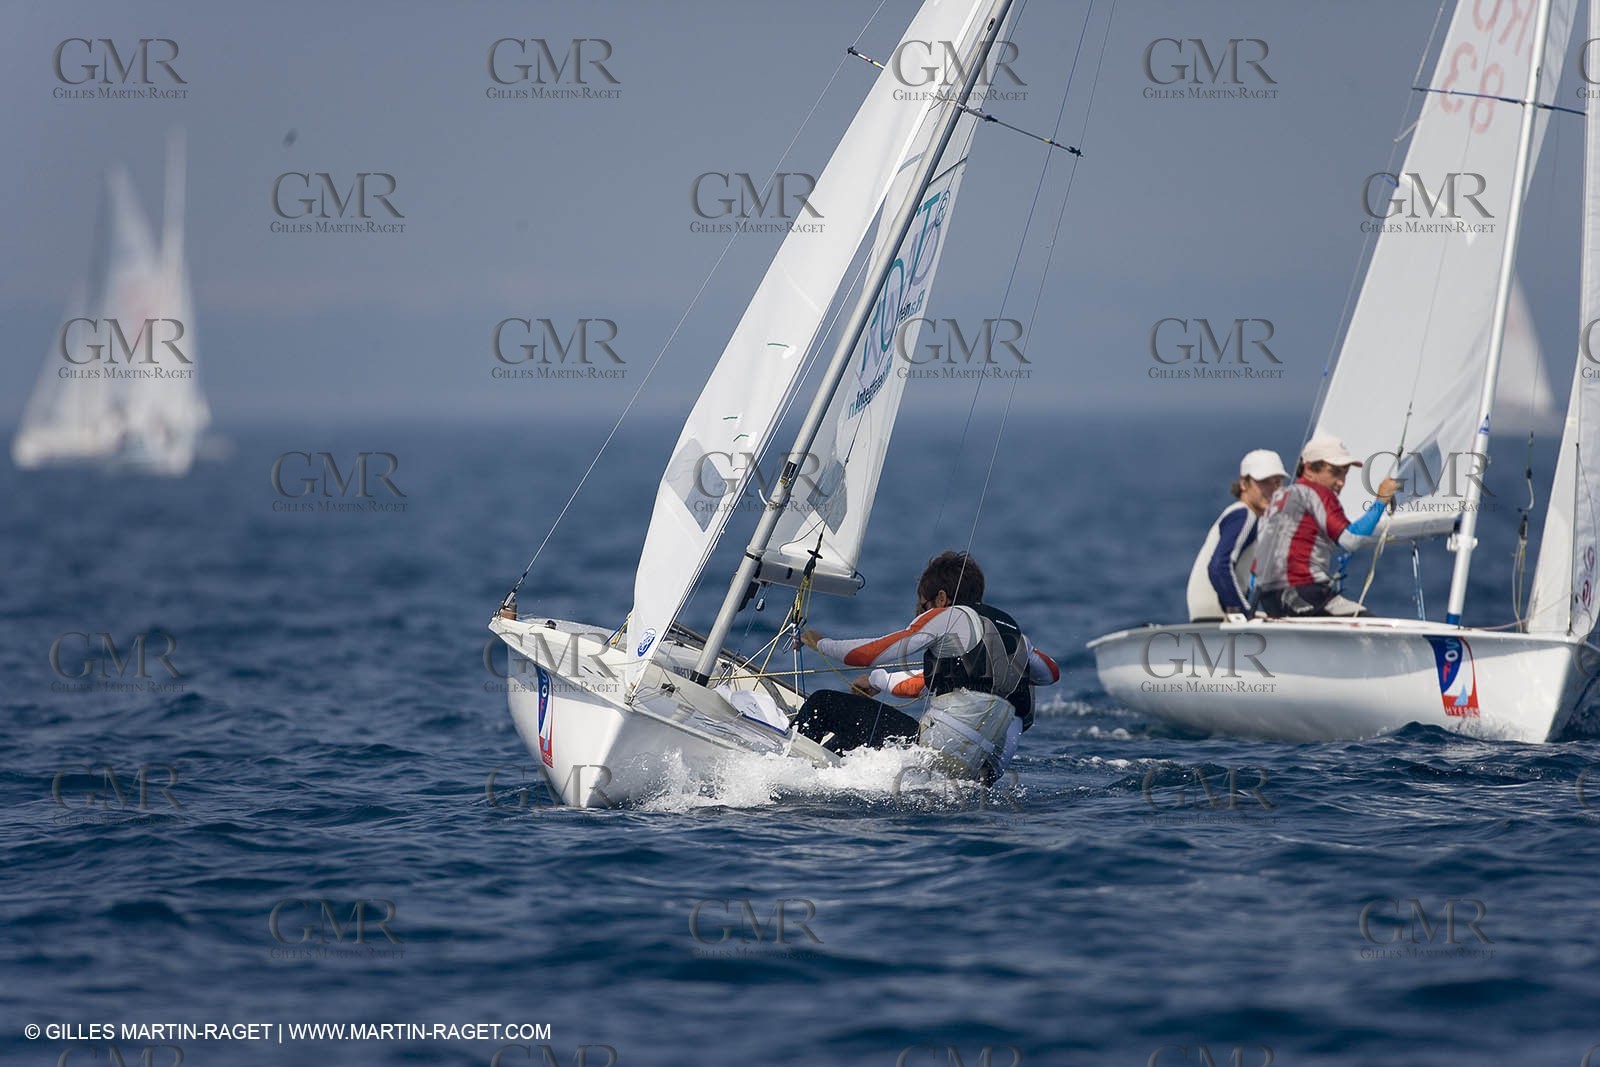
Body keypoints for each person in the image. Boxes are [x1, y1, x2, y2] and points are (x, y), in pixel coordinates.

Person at [797, 550, 1059, 783]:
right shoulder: (1017, 639)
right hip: (978, 773)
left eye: (922, 605)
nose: (919, 613)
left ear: (941, 598)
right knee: (850, 738)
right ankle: (824, 775)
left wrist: (821, 643)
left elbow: (868, 654)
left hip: (933, 751)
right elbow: (1050, 673)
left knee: (822, 704)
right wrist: (876, 681)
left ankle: (788, 768)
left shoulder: (947, 617)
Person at [1254, 433, 1400, 617]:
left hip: (1269, 599)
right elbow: (1351, 539)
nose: (1341, 482)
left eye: (1345, 474)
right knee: (1371, 625)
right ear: (1309, 469)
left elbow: (1258, 561)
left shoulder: (1279, 497)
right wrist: (1381, 501)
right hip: (1305, 594)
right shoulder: (1316, 492)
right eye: (1334, 472)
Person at [1186, 449, 1288, 621]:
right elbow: (1219, 567)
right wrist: (1243, 613)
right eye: (1264, 482)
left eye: (1277, 482)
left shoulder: (1246, 516)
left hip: (1209, 614)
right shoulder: (1244, 515)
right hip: (1216, 616)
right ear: (1243, 484)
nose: (1272, 490)